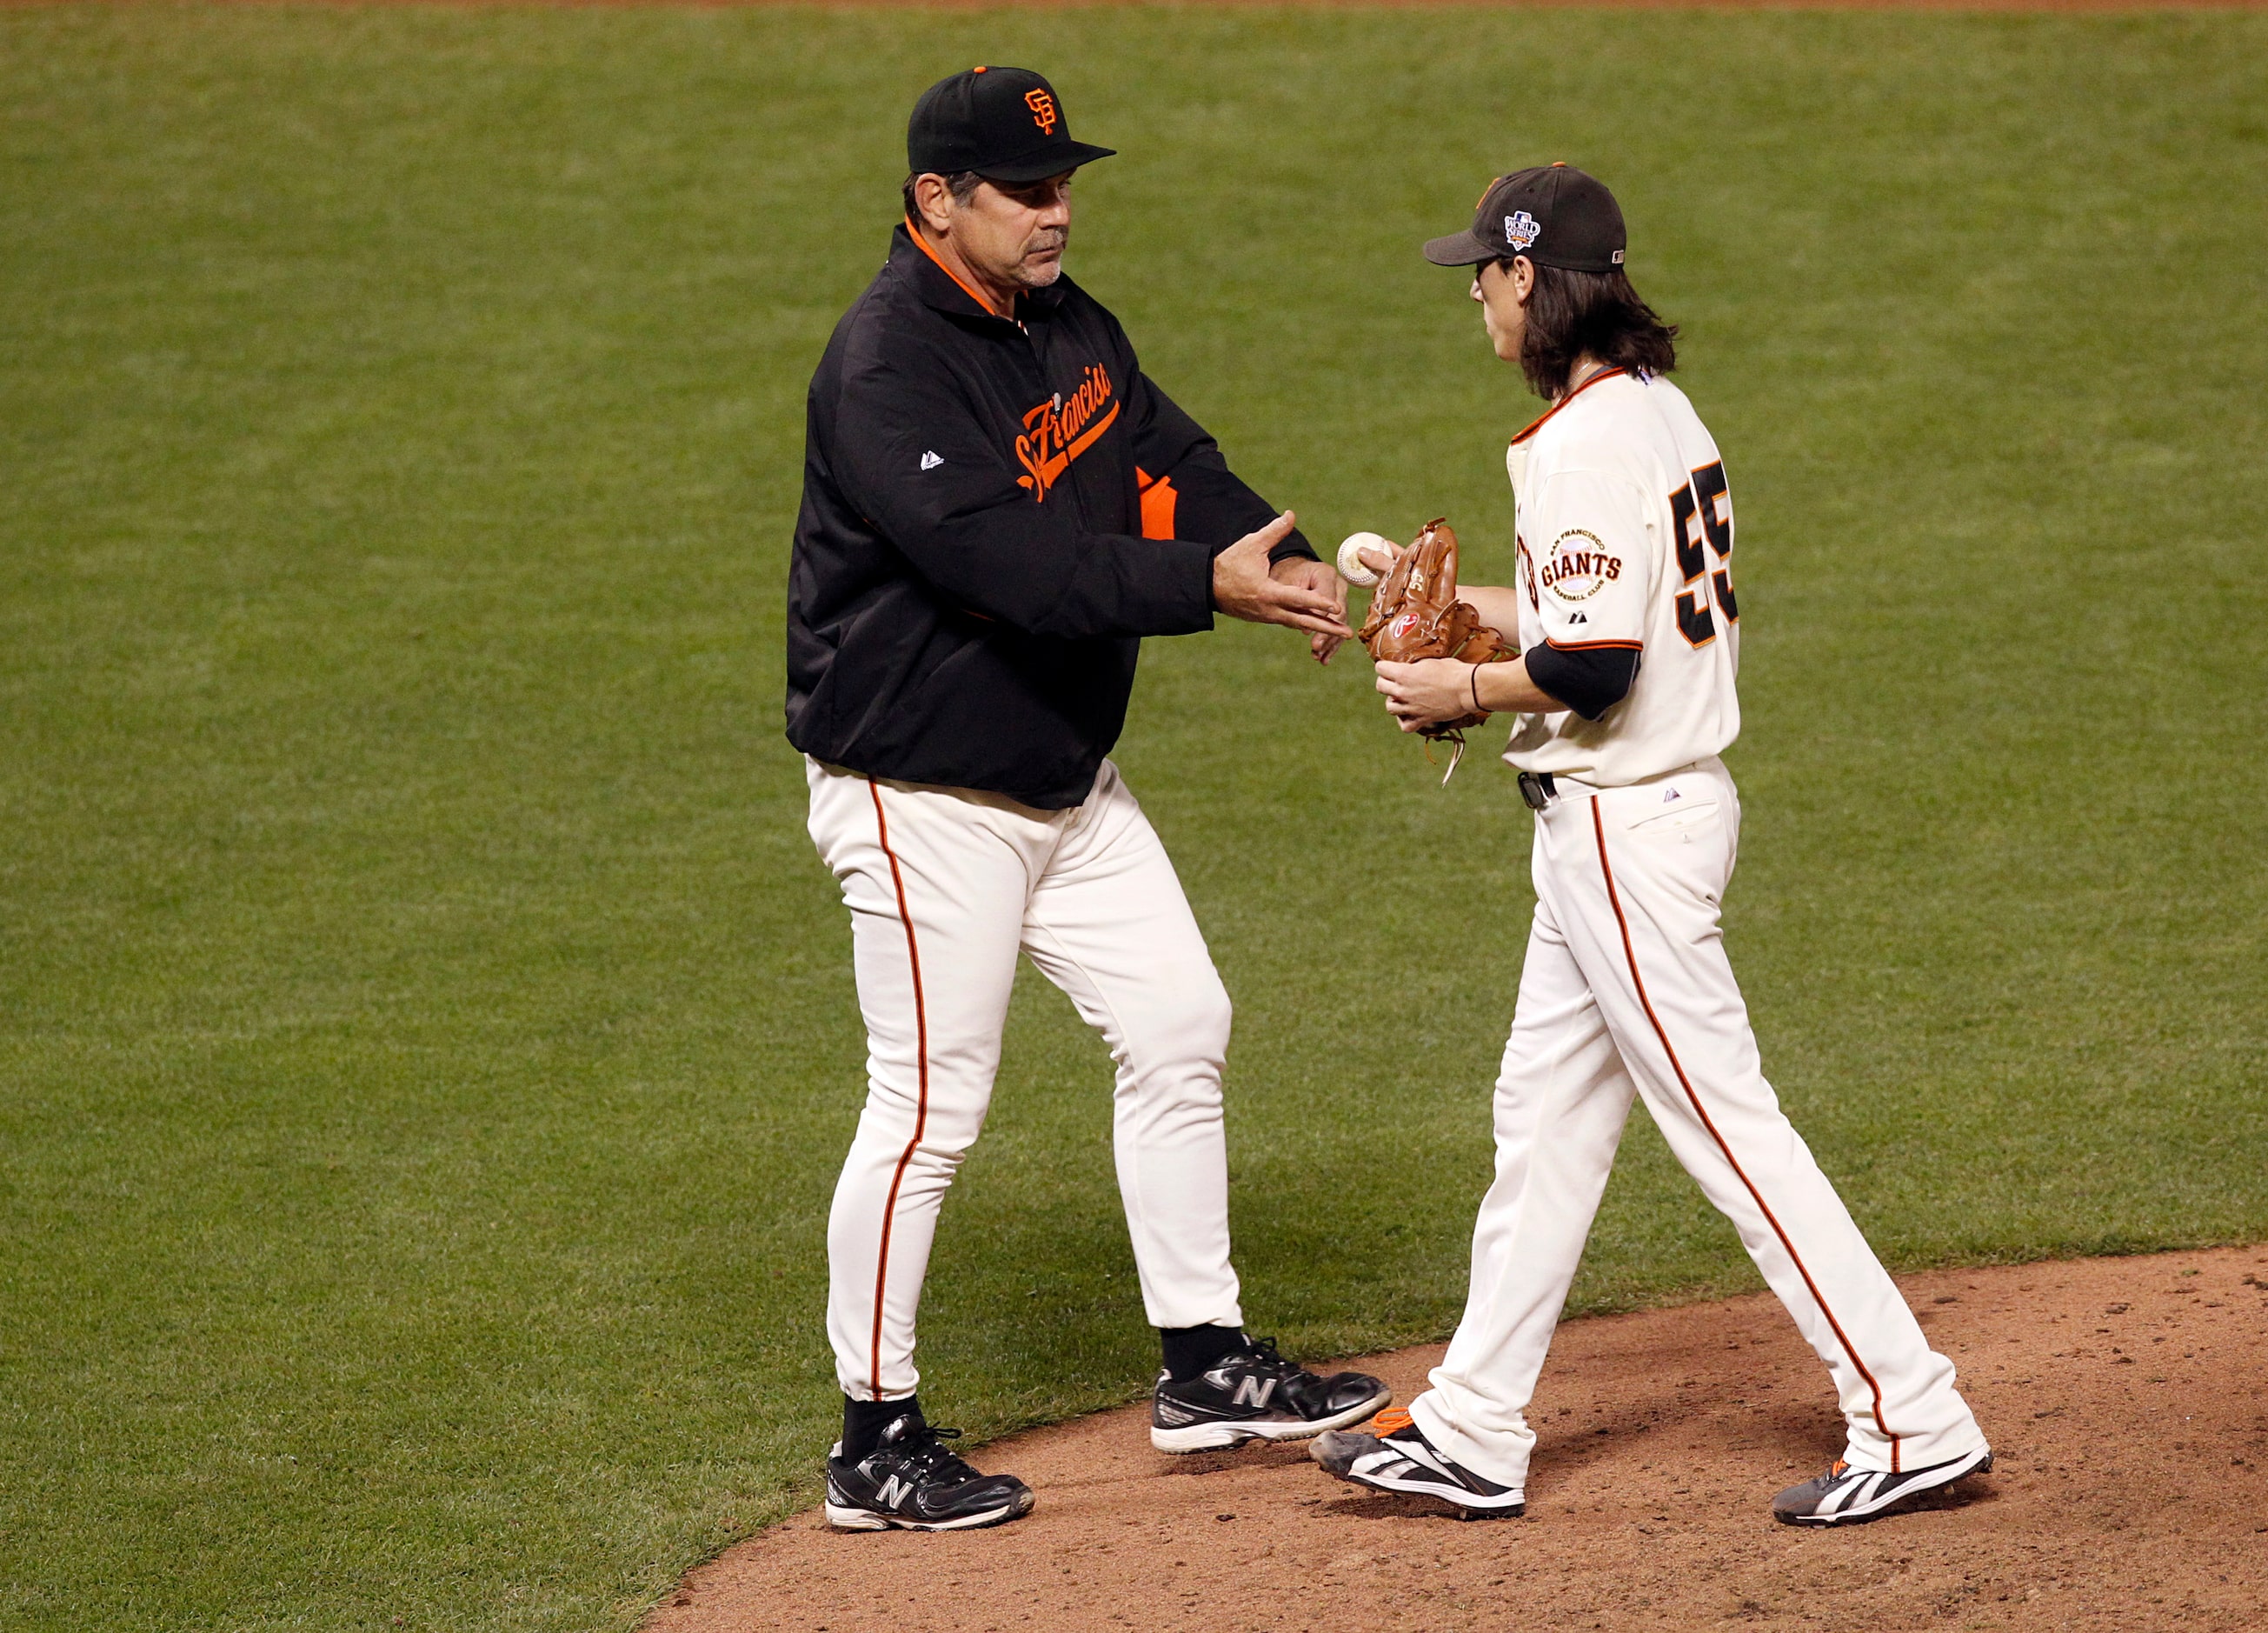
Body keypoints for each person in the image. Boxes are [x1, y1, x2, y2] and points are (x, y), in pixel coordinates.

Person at [1312, 165, 1992, 1527]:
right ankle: (1473, 1422)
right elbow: (1592, 608)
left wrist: (1461, 684)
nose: (1476, 300)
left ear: (1530, 279)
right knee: (1543, 1127)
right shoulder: (1652, 411)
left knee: (1728, 1129)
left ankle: (1912, 1414)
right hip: (1632, 825)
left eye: (1484, 276)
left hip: (1627, 827)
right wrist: (1462, 609)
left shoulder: (1573, 442)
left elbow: (1597, 663)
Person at [788, 66, 1387, 1534]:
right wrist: (1211, 587)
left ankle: (1200, 1363)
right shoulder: (883, 370)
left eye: (1065, 186)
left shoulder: (1065, 322)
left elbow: (1155, 456)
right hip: (920, 794)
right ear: (938, 202)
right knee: (928, 1106)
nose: (1058, 213)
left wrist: (1277, 550)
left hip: (1063, 781)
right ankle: (872, 1438)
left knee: (1181, 1024)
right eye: (1027, 191)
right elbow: (1019, 572)